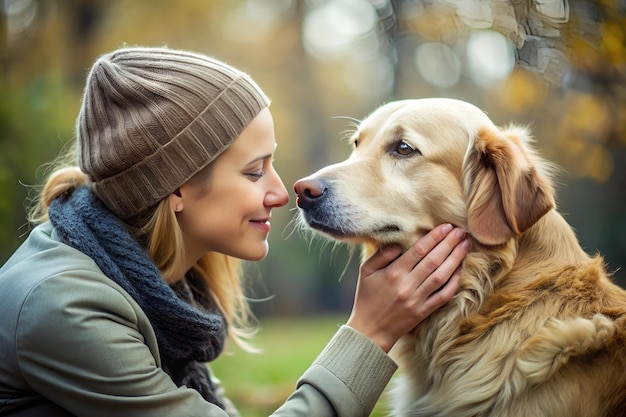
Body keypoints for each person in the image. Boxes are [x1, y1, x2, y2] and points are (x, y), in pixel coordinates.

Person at [0, 46, 469, 417]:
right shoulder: (64, 306)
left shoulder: (151, 278)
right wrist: (369, 333)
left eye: (272, 163)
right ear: (175, 188)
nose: (282, 193)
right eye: (253, 172)